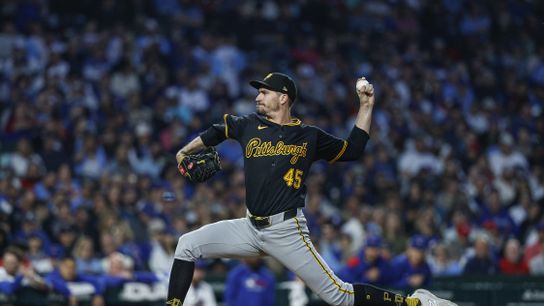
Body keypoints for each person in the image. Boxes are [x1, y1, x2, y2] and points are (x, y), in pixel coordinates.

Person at [167, 73, 456, 306]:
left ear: (283, 98)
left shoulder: (308, 136)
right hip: (249, 227)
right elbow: (217, 131)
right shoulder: (249, 126)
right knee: (187, 245)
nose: (258, 96)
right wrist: (184, 151)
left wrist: (366, 107)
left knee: (339, 297)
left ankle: (415, 303)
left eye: (264, 92)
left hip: (286, 230)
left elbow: (352, 150)